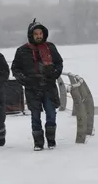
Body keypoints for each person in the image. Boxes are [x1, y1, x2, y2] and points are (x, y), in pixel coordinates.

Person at [11, 19, 63, 151]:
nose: (39, 36)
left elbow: (59, 63)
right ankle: (38, 143)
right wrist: (25, 80)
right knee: (35, 116)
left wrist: (54, 73)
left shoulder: (50, 48)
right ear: (31, 35)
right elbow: (15, 69)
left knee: (51, 114)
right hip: (32, 88)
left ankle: (51, 140)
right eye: (36, 34)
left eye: (40, 33)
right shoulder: (22, 51)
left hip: (49, 86)